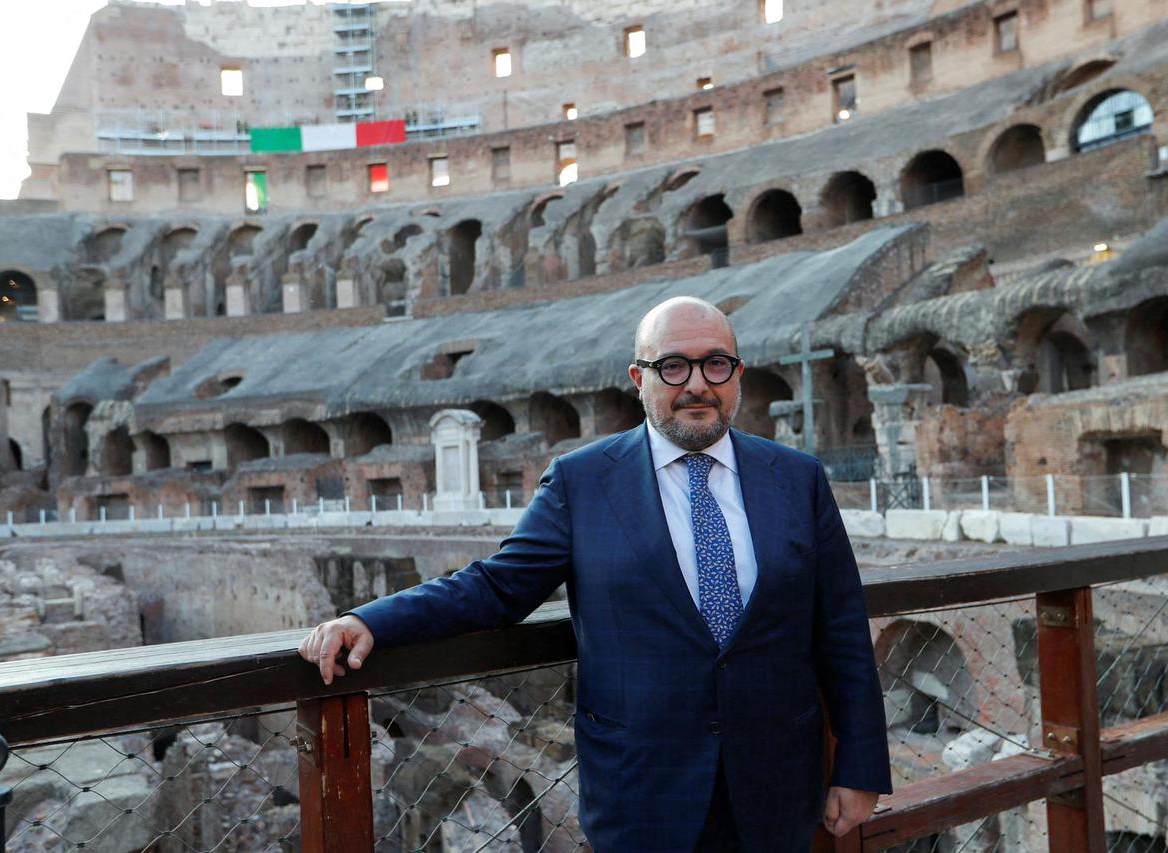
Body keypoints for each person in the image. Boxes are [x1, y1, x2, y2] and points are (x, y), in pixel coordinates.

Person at [299, 296, 891, 852]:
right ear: (640, 379)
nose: (696, 385)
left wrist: (859, 766)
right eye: (673, 367)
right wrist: (371, 620)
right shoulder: (583, 482)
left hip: (778, 784)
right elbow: (499, 586)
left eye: (714, 364)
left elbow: (840, 626)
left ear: (738, 373)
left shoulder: (797, 478)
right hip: (642, 791)